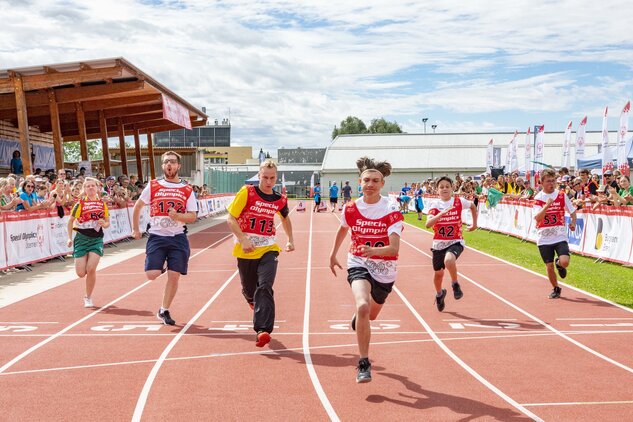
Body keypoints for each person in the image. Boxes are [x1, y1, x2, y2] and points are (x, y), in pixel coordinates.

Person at [329, 156, 403, 383]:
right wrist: (333, 254)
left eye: (375, 181)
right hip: (358, 262)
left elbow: (394, 247)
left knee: (370, 314)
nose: (370, 184)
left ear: (382, 184)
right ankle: (363, 362)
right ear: (359, 182)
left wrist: (375, 251)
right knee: (362, 306)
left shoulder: (391, 208)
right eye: (366, 180)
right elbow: (344, 229)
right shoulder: (351, 208)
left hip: (385, 268)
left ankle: (360, 319)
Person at [226, 159, 294, 348]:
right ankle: (252, 301)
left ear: (276, 178)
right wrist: (243, 239)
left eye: (272, 178)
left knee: (265, 285)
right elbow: (231, 218)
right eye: (265, 177)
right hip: (246, 250)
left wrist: (290, 239)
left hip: (268, 248)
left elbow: (286, 218)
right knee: (250, 291)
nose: (268, 182)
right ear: (259, 176)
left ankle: (263, 330)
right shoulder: (247, 192)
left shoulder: (279, 199)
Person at [131, 151, 198, 325]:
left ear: (178, 166)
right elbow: (138, 206)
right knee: (152, 275)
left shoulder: (187, 189)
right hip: (157, 236)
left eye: (173, 162)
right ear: (162, 166)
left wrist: (178, 217)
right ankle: (160, 263)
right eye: (166, 162)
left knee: (174, 276)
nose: (170, 165)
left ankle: (164, 310)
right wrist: (135, 229)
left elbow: (192, 217)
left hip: (178, 237)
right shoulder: (153, 186)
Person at [425, 176, 478, 312]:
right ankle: (439, 294)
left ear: (452, 188)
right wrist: (440, 214)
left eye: (447, 186)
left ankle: (455, 284)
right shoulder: (435, 204)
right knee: (438, 275)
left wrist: (474, 224)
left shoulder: (459, 201)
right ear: (437, 190)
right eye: (441, 187)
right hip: (438, 244)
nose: (444, 189)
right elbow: (428, 224)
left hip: (455, 241)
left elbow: (472, 206)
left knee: (449, 261)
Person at [533, 168, 577, 299]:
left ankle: (560, 264)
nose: (551, 184)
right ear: (541, 182)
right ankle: (556, 288)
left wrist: (573, 222)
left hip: (559, 235)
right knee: (549, 266)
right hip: (544, 238)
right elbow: (537, 218)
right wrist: (546, 206)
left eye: (553, 181)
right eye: (548, 181)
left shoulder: (561, 195)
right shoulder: (538, 198)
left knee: (565, 262)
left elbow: (572, 211)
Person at [67, 177, 110, 307]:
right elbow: (70, 221)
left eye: (93, 186)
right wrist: (69, 237)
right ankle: (87, 292)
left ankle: (88, 297)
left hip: (96, 239)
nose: (91, 188)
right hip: (81, 238)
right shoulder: (80, 204)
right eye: (88, 186)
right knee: (80, 273)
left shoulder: (102, 204)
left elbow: (107, 223)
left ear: (97, 188)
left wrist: (104, 223)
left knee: (91, 268)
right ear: (84, 190)